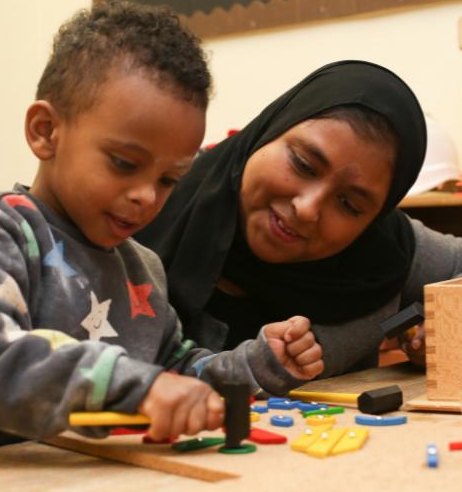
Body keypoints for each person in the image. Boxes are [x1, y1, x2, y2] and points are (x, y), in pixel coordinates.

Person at [0, 0, 323, 460]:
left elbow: (174, 375)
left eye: (167, 180)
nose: (146, 196)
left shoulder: (144, 269)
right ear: (45, 131)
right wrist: (135, 386)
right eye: (124, 163)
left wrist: (258, 364)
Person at [136, 59, 462, 375]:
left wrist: (411, 323)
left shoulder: (385, 251)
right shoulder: (149, 199)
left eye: (349, 205)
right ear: (268, 132)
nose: (307, 209)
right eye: (303, 165)